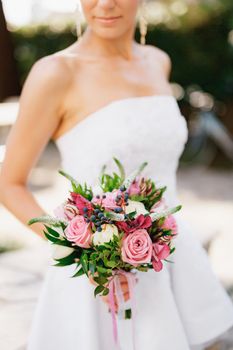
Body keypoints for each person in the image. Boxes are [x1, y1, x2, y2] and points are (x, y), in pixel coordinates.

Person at [0, 1, 233, 349]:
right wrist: (82, 250)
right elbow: (9, 183)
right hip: (100, 277)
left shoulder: (158, 60)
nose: (105, 4)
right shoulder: (55, 73)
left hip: (175, 259)